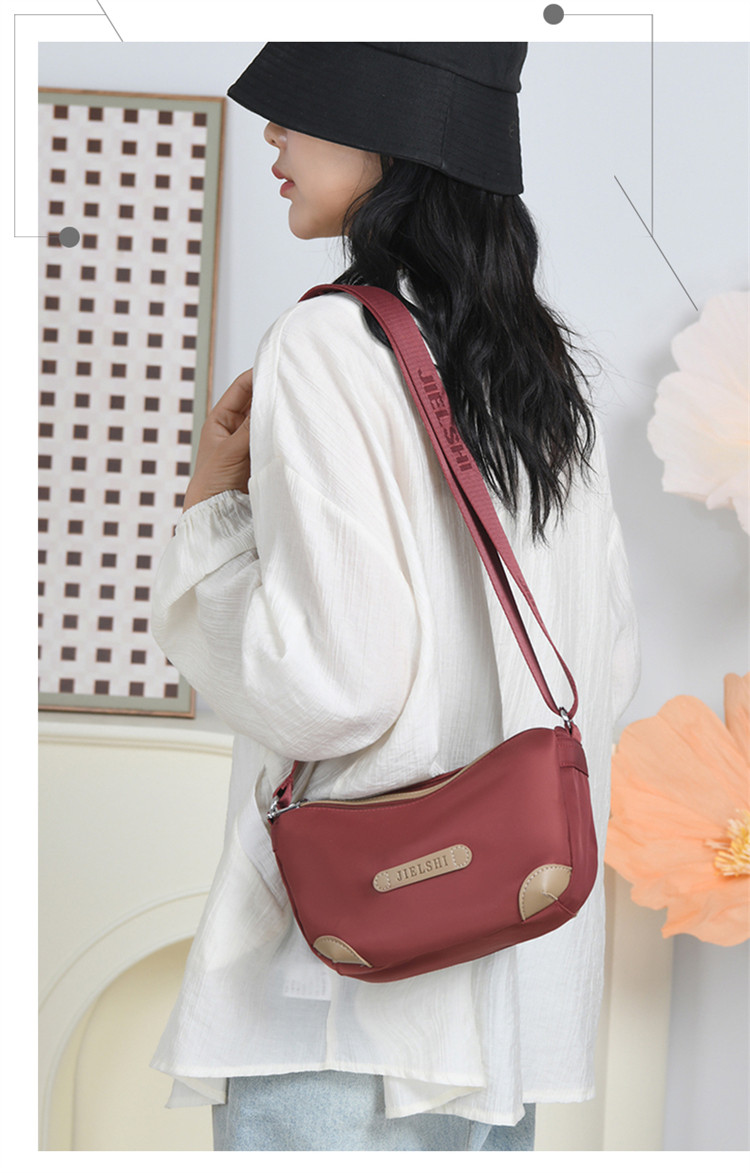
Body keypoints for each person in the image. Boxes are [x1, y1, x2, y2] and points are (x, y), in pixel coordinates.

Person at [149, 42, 640, 1152]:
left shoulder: (330, 341)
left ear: (391, 133)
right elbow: (604, 665)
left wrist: (210, 516)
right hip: (509, 973)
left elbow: (333, 687)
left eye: (299, 109)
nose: (270, 134)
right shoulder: (545, 371)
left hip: (349, 985)